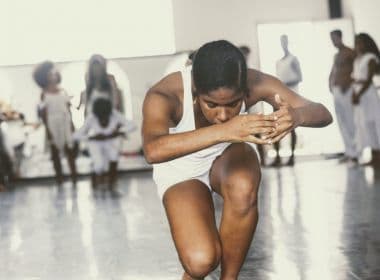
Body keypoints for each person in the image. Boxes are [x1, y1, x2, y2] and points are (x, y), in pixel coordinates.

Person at [142, 40, 332, 279]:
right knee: (201, 262)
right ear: (195, 90)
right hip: (181, 170)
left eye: (233, 104)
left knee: (243, 185)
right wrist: (226, 130)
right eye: (211, 105)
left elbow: (323, 113)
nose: (222, 115)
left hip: (226, 157)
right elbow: (152, 150)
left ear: (244, 90)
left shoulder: (257, 82)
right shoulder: (166, 94)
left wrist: (297, 115)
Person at [73, 99, 135, 191]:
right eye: (100, 117)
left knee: (114, 156)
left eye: (105, 116)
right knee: (99, 165)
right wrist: (92, 137)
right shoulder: (91, 118)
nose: (103, 119)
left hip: (111, 141)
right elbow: (76, 135)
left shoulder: (115, 114)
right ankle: (96, 181)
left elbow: (132, 125)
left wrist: (118, 132)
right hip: (96, 142)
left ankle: (112, 182)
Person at [33, 61, 77, 186]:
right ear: (44, 76)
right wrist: (48, 130)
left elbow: (68, 109)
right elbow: (43, 115)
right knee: (55, 152)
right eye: (49, 73)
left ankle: (74, 177)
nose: (53, 75)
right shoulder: (44, 94)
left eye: (54, 73)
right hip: (52, 124)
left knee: (70, 149)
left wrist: (72, 124)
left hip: (65, 122)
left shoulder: (63, 91)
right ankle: (60, 178)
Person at [274, 35, 303, 166]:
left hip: (292, 96)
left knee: (292, 127)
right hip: (280, 97)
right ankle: (278, 157)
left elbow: (299, 77)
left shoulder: (293, 59)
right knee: (276, 126)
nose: (283, 44)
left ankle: (292, 156)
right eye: (281, 42)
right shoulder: (278, 62)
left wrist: (284, 85)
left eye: (285, 41)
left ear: (288, 42)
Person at [329, 29, 357, 164]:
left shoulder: (350, 52)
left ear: (340, 37)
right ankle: (349, 151)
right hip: (337, 91)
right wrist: (330, 84)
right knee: (342, 122)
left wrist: (350, 83)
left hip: (347, 90)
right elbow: (334, 71)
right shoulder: (336, 55)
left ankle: (355, 154)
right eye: (331, 39)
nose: (333, 41)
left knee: (350, 121)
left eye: (334, 38)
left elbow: (358, 69)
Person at [351, 33, 380, 165]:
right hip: (359, 93)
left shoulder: (370, 58)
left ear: (366, 43)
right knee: (366, 124)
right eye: (356, 43)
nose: (358, 46)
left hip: (368, 94)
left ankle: (378, 156)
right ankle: (374, 157)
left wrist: (359, 94)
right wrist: (354, 93)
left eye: (360, 43)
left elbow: (368, 80)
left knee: (375, 123)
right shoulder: (357, 59)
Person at [239, 45, 266, 166]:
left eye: (246, 54)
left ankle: (263, 159)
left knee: (257, 132)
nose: (245, 56)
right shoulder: (237, 70)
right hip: (242, 107)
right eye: (242, 54)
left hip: (252, 106)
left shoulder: (252, 71)